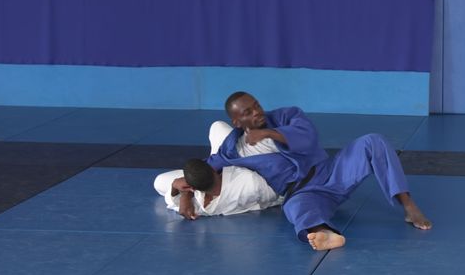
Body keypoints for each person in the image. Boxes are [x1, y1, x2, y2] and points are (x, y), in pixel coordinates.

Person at [204, 91, 431, 251]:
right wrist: (185, 193)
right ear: (237, 122)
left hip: (330, 171)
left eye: (256, 105)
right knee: (295, 208)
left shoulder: (285, 116)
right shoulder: (233, 150)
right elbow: (205, 168)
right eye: (248, 112)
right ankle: (325, 234)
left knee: (373, 141)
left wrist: (269, 133)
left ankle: (409, 206)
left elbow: (308, 137)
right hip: (302, 192)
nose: (257, 112)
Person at [153, 118, 283, 219]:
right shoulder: (251, 183)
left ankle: (194, 176)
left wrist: (182, 192)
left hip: (223, 165)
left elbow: (175, 203)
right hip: (248, 161)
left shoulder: (199, 205)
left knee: (159, 182)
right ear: (214, 169)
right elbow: (280, 190)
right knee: (218, 126)